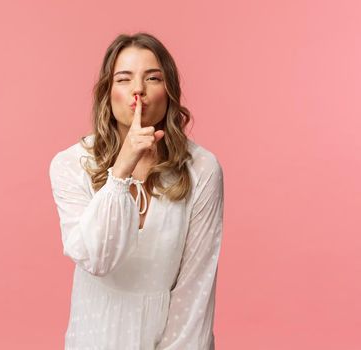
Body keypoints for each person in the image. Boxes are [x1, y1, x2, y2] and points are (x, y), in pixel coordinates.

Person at [49, 32, 224, 350]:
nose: (138, 90)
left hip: (172, 337)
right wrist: (121, 171)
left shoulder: (202, 168)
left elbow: (196, 288)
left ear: (169, 90)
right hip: (93, 336)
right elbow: (98, 261)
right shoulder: (70, 164)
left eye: (153, 78)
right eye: (124, 79)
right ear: (108, 91)